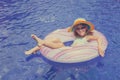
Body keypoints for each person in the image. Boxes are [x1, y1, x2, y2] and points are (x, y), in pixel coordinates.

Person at [25, 18, 104, 57]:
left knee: (60, 45)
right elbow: (67, 30)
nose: (80, 30)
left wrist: (100, 47)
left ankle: (42, 43)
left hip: (73, 52)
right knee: (56, 39)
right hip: (68, 49)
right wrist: (59, 30)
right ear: (75, 30)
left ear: (86, 28)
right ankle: (35, 48)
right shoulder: (75, 35)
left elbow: (98, 38)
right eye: (78, 28)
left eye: (82, 27)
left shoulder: (87, 37)